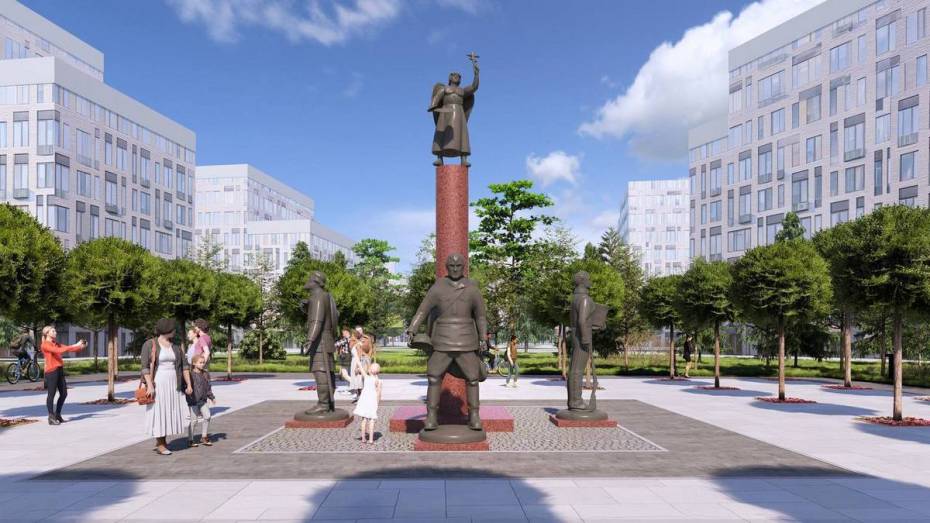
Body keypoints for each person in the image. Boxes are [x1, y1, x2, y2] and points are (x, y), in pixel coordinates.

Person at [142, 318, 193, 455]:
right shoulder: (149, 344)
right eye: (172, 328)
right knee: (159, 411)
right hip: (159, 382)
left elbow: (184, 367)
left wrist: (188, 384)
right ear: (166, 330)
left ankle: (162, 441)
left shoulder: (175, 347)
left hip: (173, 383)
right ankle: (161, 443)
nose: (174, 331)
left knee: (168, 411)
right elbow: (145, 367)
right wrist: (150, 385)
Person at [40, 326, 87, 425]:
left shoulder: (56, 343)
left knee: (64, 393)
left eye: (55, 330)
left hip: (59, 370)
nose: (55, 332)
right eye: (53, 331)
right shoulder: (45, 345)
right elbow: (59, 351)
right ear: (47, 333)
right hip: (51, 371)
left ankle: (57, 414)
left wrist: (80, 347)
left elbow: (68, 349)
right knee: (51, 394)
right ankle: (51, 417)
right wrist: (76, 344)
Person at [186, 353, 215, 447]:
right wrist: (186, 390)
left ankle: (204, 437)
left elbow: (208, 387)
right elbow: (185, 386)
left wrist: (211, 397)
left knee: (207, 416)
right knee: (194, 420)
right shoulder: (190, 374)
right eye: (200, 362)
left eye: (203, 362)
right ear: (194, 363)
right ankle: (190, 439)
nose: (202, 364)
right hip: (193, 400)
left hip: (203, 400)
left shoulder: (205, 374)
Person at [353, 362, 382, 444]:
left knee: (364, 419)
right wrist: (377, 403)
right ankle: (371, 440)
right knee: (372, 420)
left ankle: (363, 438)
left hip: (364, 400)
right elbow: (379, 394)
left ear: (369, 370)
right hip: (372, 401)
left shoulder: (366, 377)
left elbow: (360, 366)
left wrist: (357, 359)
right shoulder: (379, 381)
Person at [336, 328, 353, 393]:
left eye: (343, 333)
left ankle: (355, 384)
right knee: (349, 374)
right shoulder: (351, 339)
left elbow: (336, 344)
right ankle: (351, 388)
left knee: (344, 374)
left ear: (347, 332)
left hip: (345, 358)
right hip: (350, 357)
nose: (342, 334)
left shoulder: (345, 340)